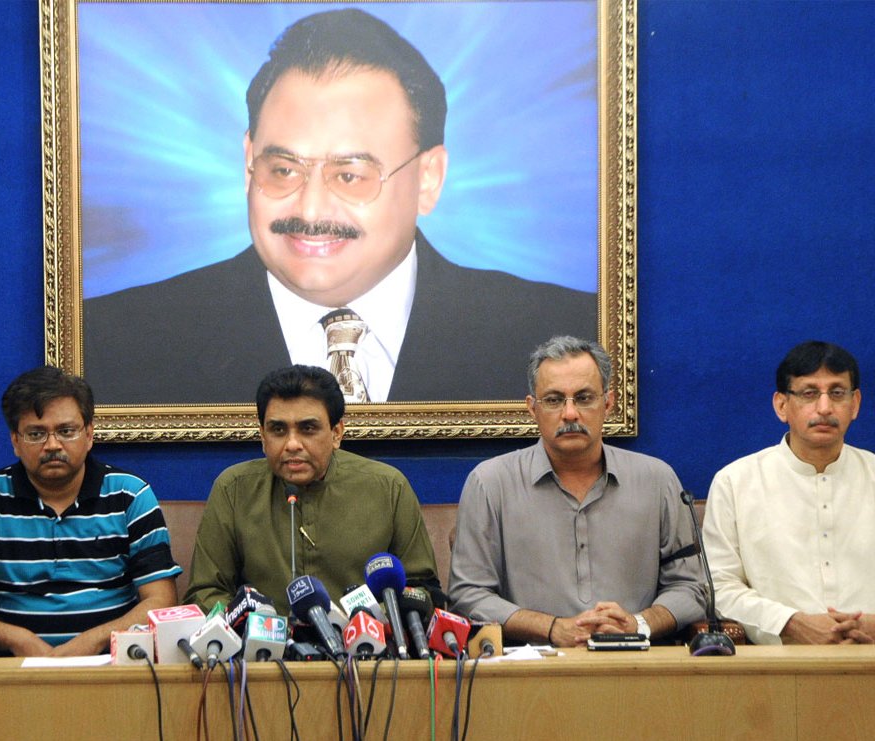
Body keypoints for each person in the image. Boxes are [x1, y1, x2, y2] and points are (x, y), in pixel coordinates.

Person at [82, 8, 595, 404]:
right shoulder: (115, 340)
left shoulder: (559, 334)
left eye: (348, 175)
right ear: (247, 161)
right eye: (282, 170)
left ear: (428, 179)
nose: (309, 208)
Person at [449, 336, 705, 646]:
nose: (570, 414)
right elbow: (467, 596)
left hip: (637, 666)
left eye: (584, 398)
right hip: (530, 673)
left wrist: (637, 624)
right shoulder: (490, 483)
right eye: (555, 400)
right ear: (532, 408)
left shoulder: (657, 480)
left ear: (608, 403)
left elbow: (691, 589)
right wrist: (552, 627)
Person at [0, 367, 180, 656]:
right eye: (36, 434)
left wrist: (94, 641)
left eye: (66, 431)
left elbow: (161, 600)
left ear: (89, 435)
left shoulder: (129, 495)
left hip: (108, 665)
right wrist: (17, 640)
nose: (52, 445)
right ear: (15, 442)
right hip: (12, 668)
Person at [703, 341, 875, 645]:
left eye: (837, 393)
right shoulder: (735, 483)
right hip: (776, 669)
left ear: (855, 403)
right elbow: (718, 584)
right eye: (809, 393)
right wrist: (789, 623)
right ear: (782, 405)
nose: (824, 408)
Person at [184, 365, 442, 614]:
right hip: (262, 651)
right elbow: (206, 593)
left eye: (308, 428)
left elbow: (422, 590)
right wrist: (255, 623)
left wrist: (374, 619)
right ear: (262, 436)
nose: (292, 444)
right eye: (278, 429)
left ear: (336, 432)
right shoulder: (233, 489)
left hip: (367, 650)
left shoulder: (388, 488)